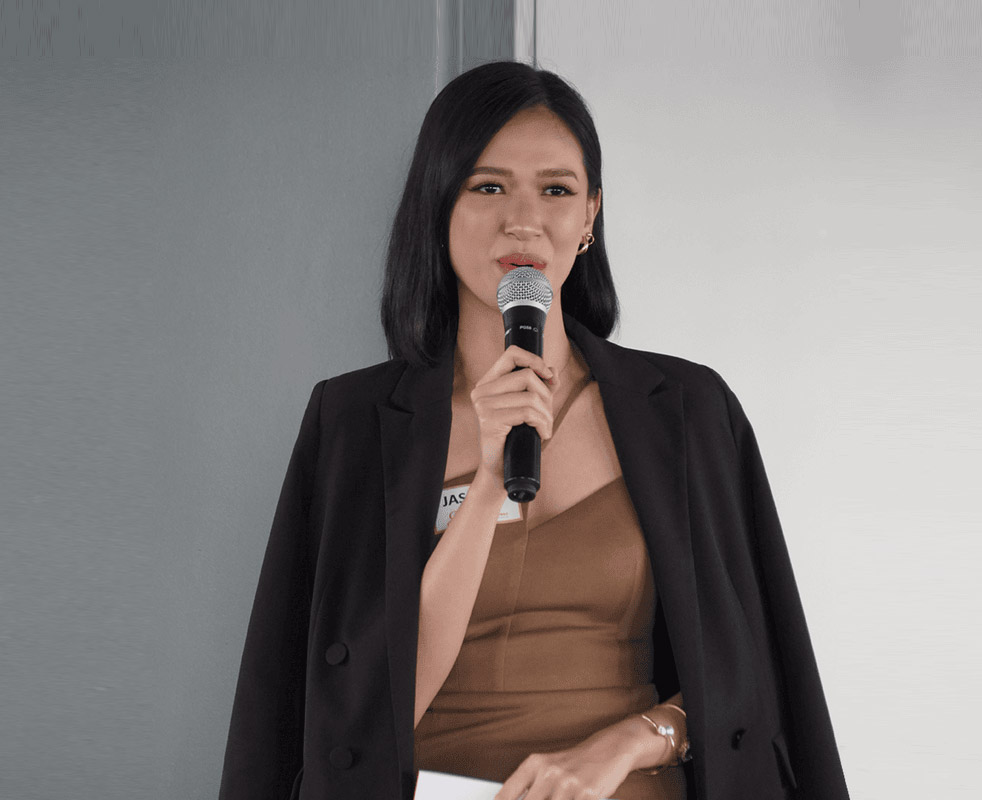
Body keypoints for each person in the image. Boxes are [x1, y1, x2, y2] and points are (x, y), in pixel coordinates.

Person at [218, 62, 850, 800]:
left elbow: (755, 671)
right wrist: (488, 483)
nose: (524, 220)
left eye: (556, 189)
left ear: (590, 217)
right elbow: (358, 708)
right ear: (438, 206)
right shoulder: (353, 423)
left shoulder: (689, 409)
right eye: (488, 187)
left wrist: (625, 744)